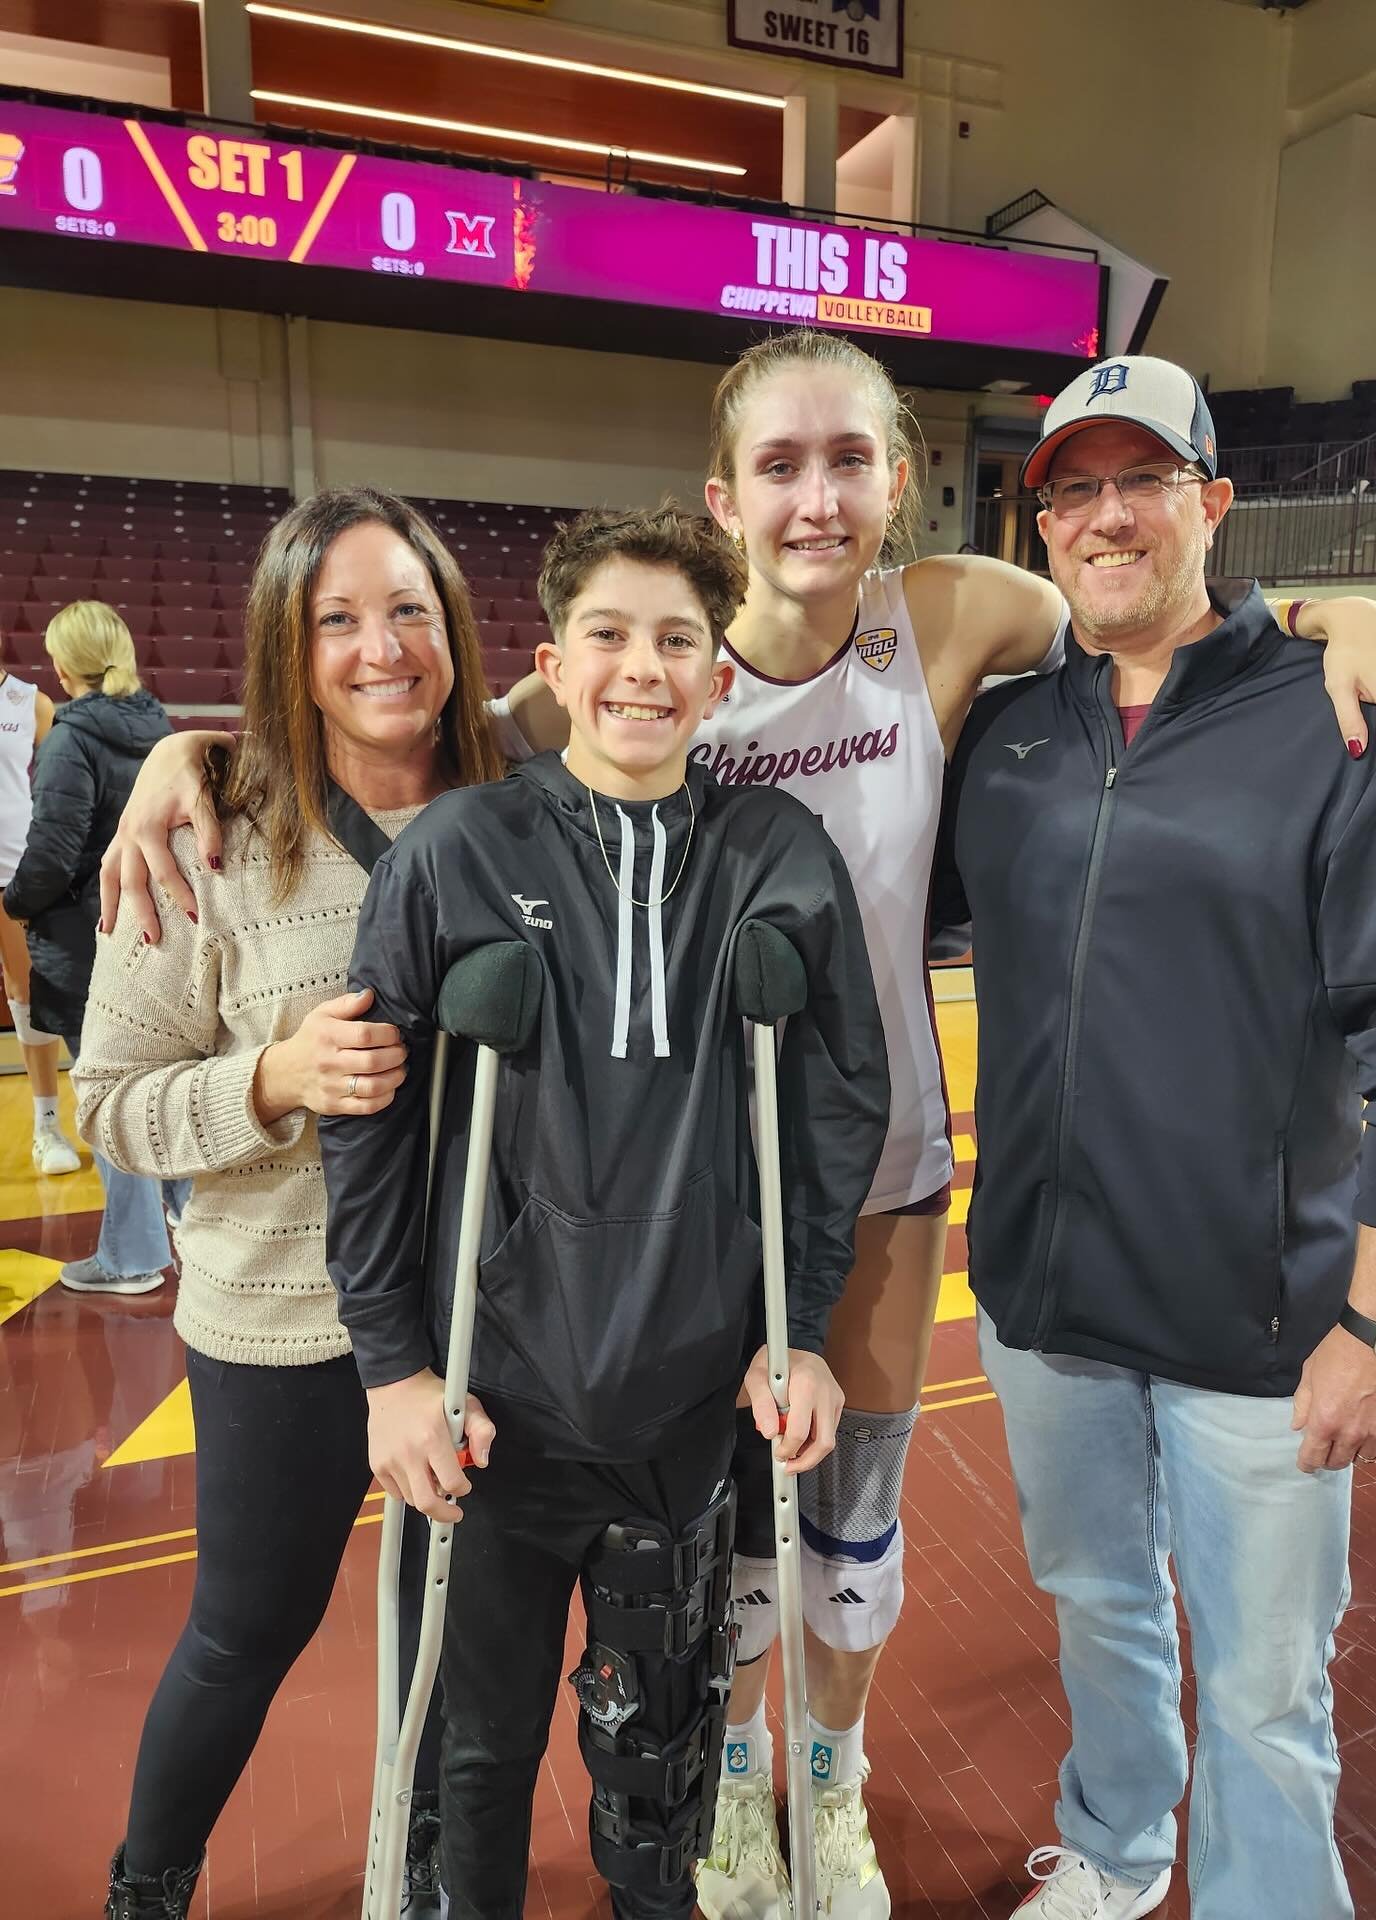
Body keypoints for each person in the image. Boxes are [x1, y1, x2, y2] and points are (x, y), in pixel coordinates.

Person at [98, 334, 1376, 1920]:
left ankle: (829, 1780)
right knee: (699, 1561)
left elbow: (1168, 606)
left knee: (846, 1527)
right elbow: (418, 735)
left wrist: (1355, 622)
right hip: (613, 1235)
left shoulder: (947, 622)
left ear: (899, 483)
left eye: (851, 462)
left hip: (866, 1189)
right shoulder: (609, 681)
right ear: (724, 496)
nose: (818, 499)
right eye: (780, 468)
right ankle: (728, 1784)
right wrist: (179, 755)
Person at [320, 506, 889, 1920]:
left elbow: (829, 1115)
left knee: (660, 1757)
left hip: (690, 1407)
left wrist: (800, 1332)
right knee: (480, 1749)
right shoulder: (456, 853)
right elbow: (373, 1130)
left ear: (720, 678)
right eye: (611, 638)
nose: (644, 670)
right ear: (553, 666)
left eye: (678, 641)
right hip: (492, 1399)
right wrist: (394, 1367)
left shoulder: (777, 853)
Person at [944, 355, 1376, 1920]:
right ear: (1041, 531)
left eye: (1143, 479)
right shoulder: (1005, 734)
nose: (1107, 517)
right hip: (1047, 1303)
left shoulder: (1339, 718)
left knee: (1270, 1693)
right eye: (1073, 489)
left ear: (1213, 502)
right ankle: (1113, 1847)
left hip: (1267, 1329)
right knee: (1100, 1608)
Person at [73, 488, 512, 1919]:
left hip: (490, 1318)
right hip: (282, 1324)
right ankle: (150, 1882)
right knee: (244, 1631)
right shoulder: (205, 843)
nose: (382, 648)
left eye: (408, 609)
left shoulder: (526, 810)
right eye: (337, 619)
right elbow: (110, 1105)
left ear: (454, 626)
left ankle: (437, 1868)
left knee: (454, 1632)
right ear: (285, 643)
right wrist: (270, 1078)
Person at [3, 601, 185, 1291]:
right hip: (155, 930)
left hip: (88, 941)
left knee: (109, 1094)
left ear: (60, 665)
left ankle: (132, 1255)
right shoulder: (158, 725)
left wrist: (16, 903)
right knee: (154, 1086)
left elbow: (50, 853)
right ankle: (183, 1221)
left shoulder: (71, 738)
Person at [0, 626, 81, 1174]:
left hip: (12, 869)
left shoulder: (31, 702)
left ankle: (48, 1124)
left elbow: (56, 786)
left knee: (28, 993)